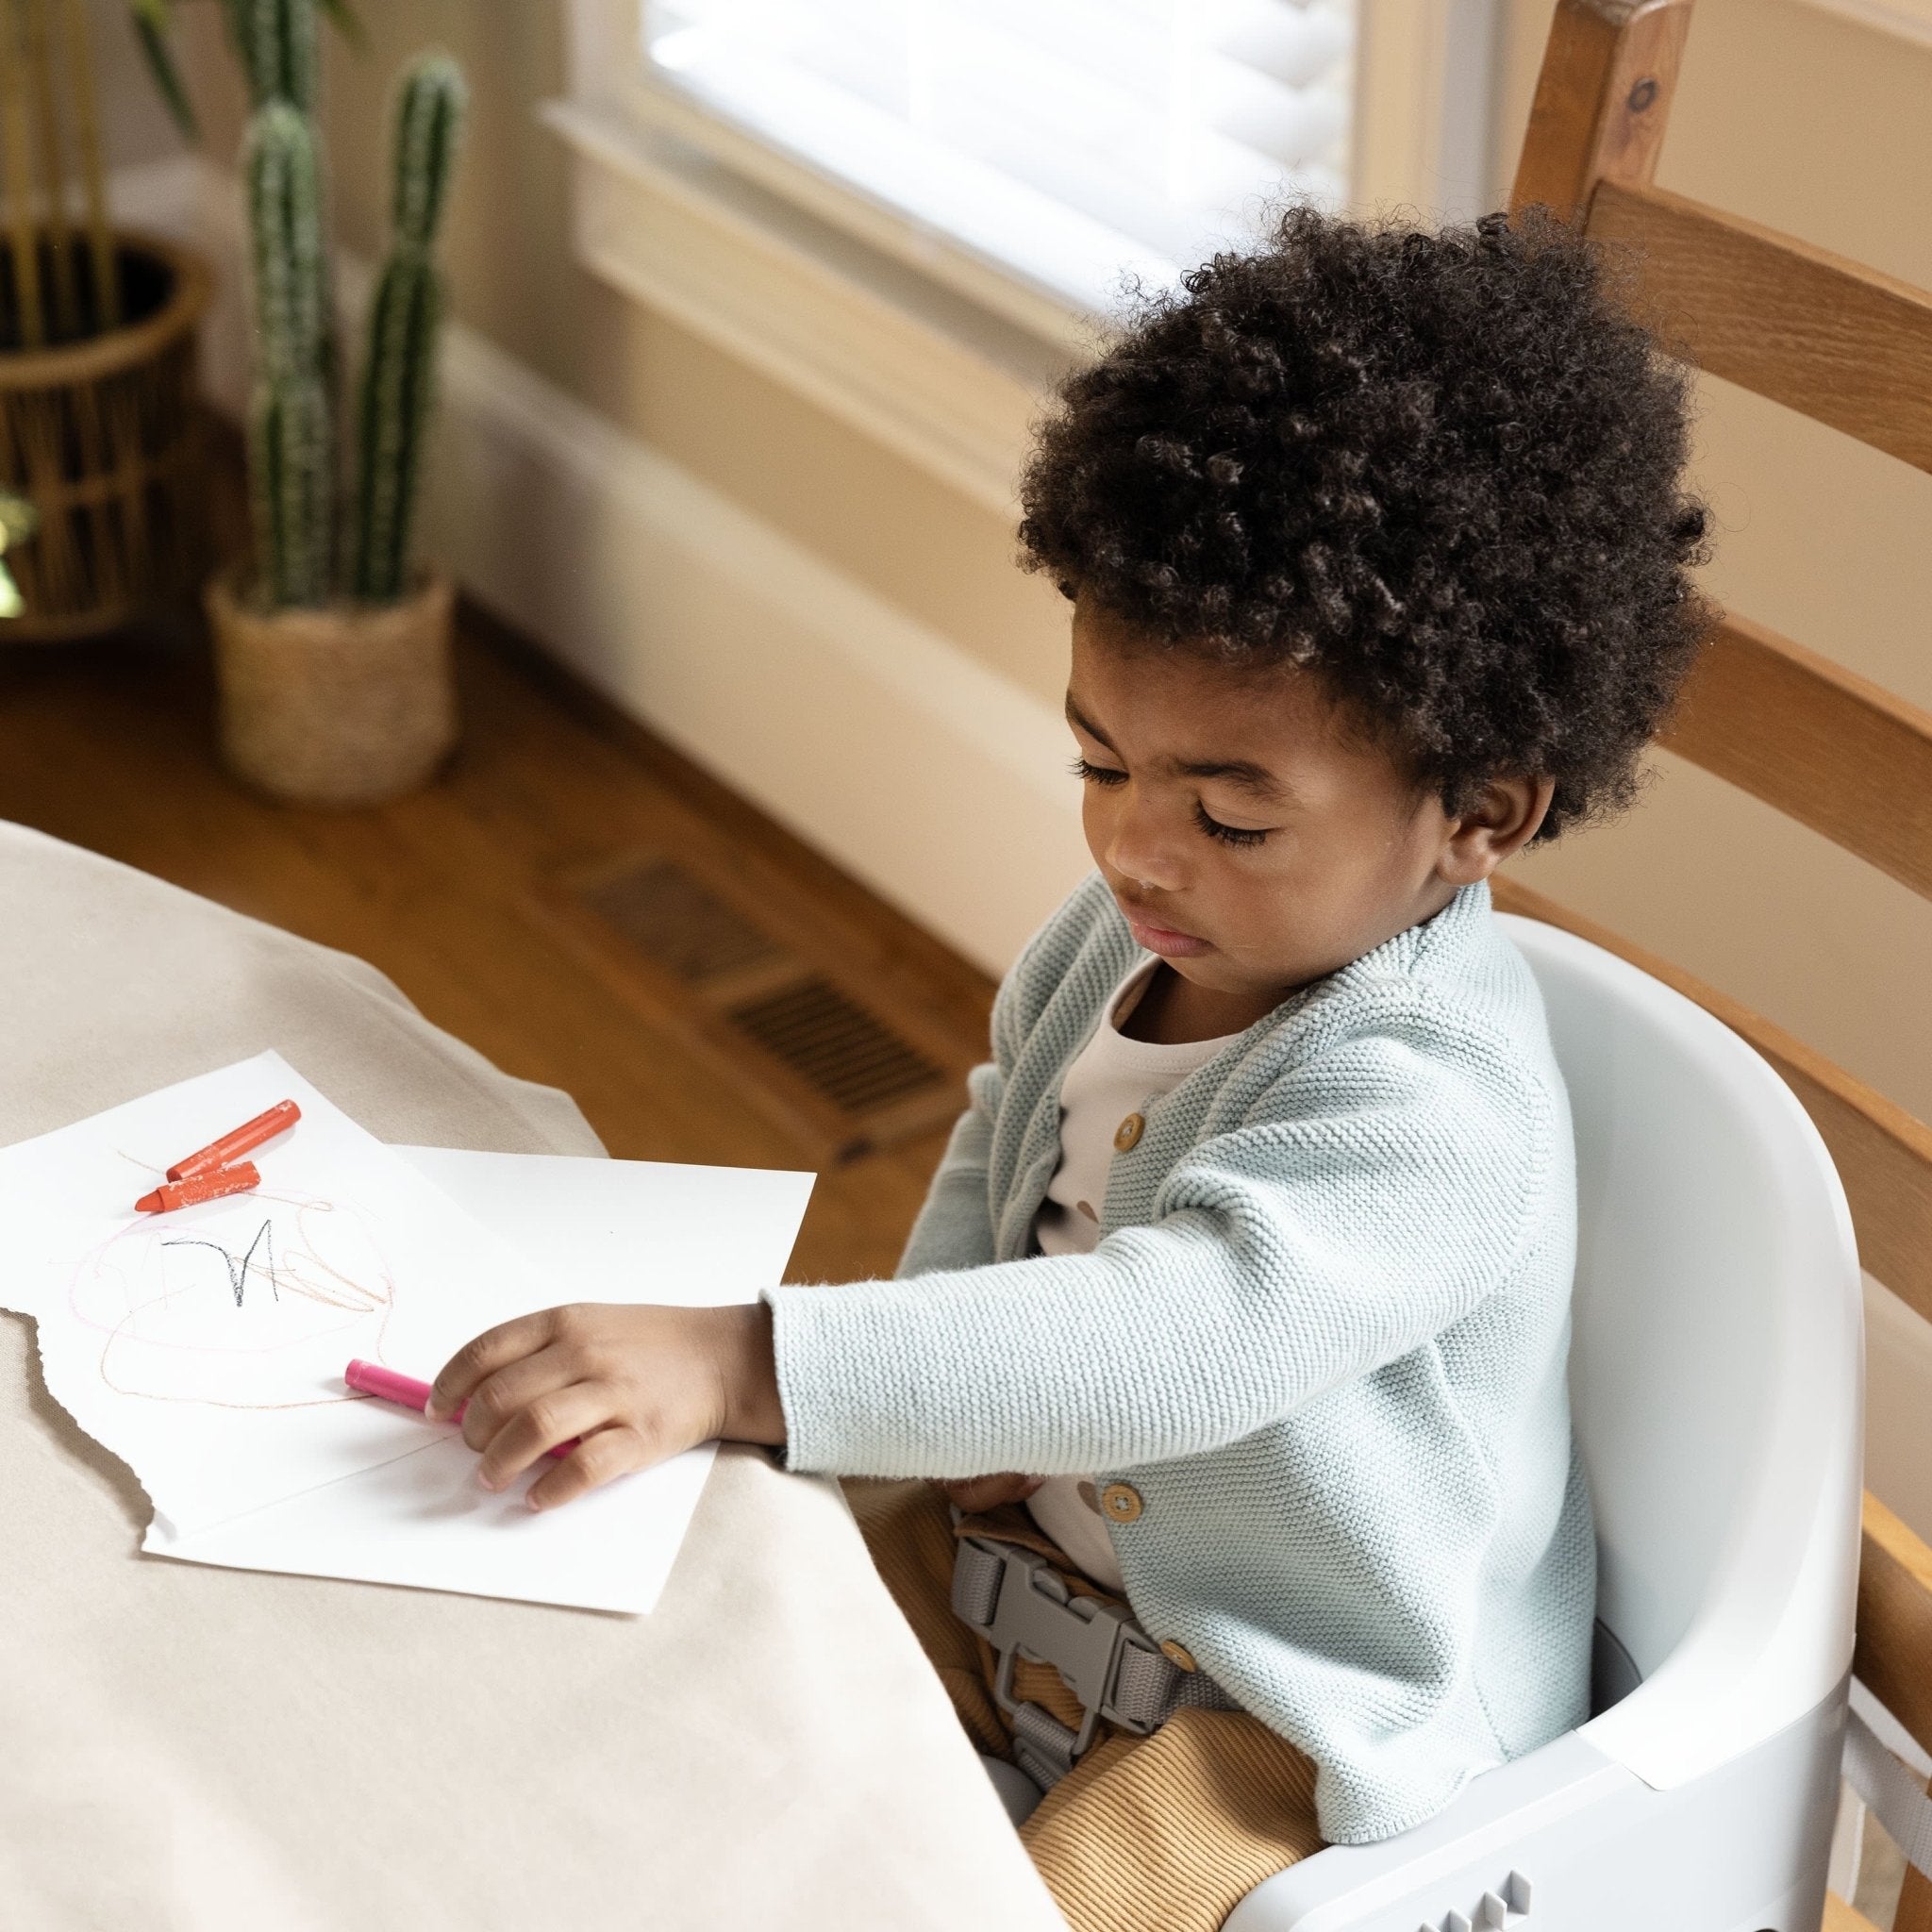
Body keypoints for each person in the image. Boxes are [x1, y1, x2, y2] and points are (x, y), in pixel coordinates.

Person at [425, 206, 1712, 1931]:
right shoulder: (1115, 941)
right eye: (1100, 761)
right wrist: (921, 1419)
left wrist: (753, 1358)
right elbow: (1000, 1159)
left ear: (1480, 812)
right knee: (729, 1640)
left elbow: (1176, 1336)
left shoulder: (1432, 1105)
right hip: (1039, 1566)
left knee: (1055, 1900)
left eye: (1228, 814)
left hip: (1296, 1696)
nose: (1136, 849)